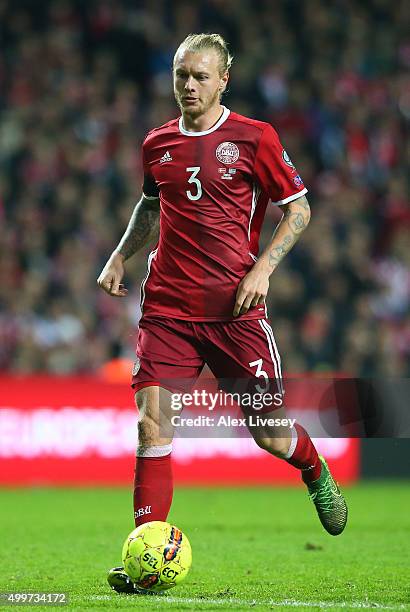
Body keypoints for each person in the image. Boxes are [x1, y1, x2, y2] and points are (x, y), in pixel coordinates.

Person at [98, 33, 348, 594]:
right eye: (182, 74)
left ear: (223, 80)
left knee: (269, 435)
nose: (189, 85)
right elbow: (151, 203)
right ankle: (148, 558)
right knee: (152, 424)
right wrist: (120, 254)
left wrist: (262, 271)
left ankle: (312, 467)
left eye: (200, 76)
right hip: (167, 310)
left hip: (235, 313)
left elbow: (299, 209)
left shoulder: (255, 139)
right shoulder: (156, 143)